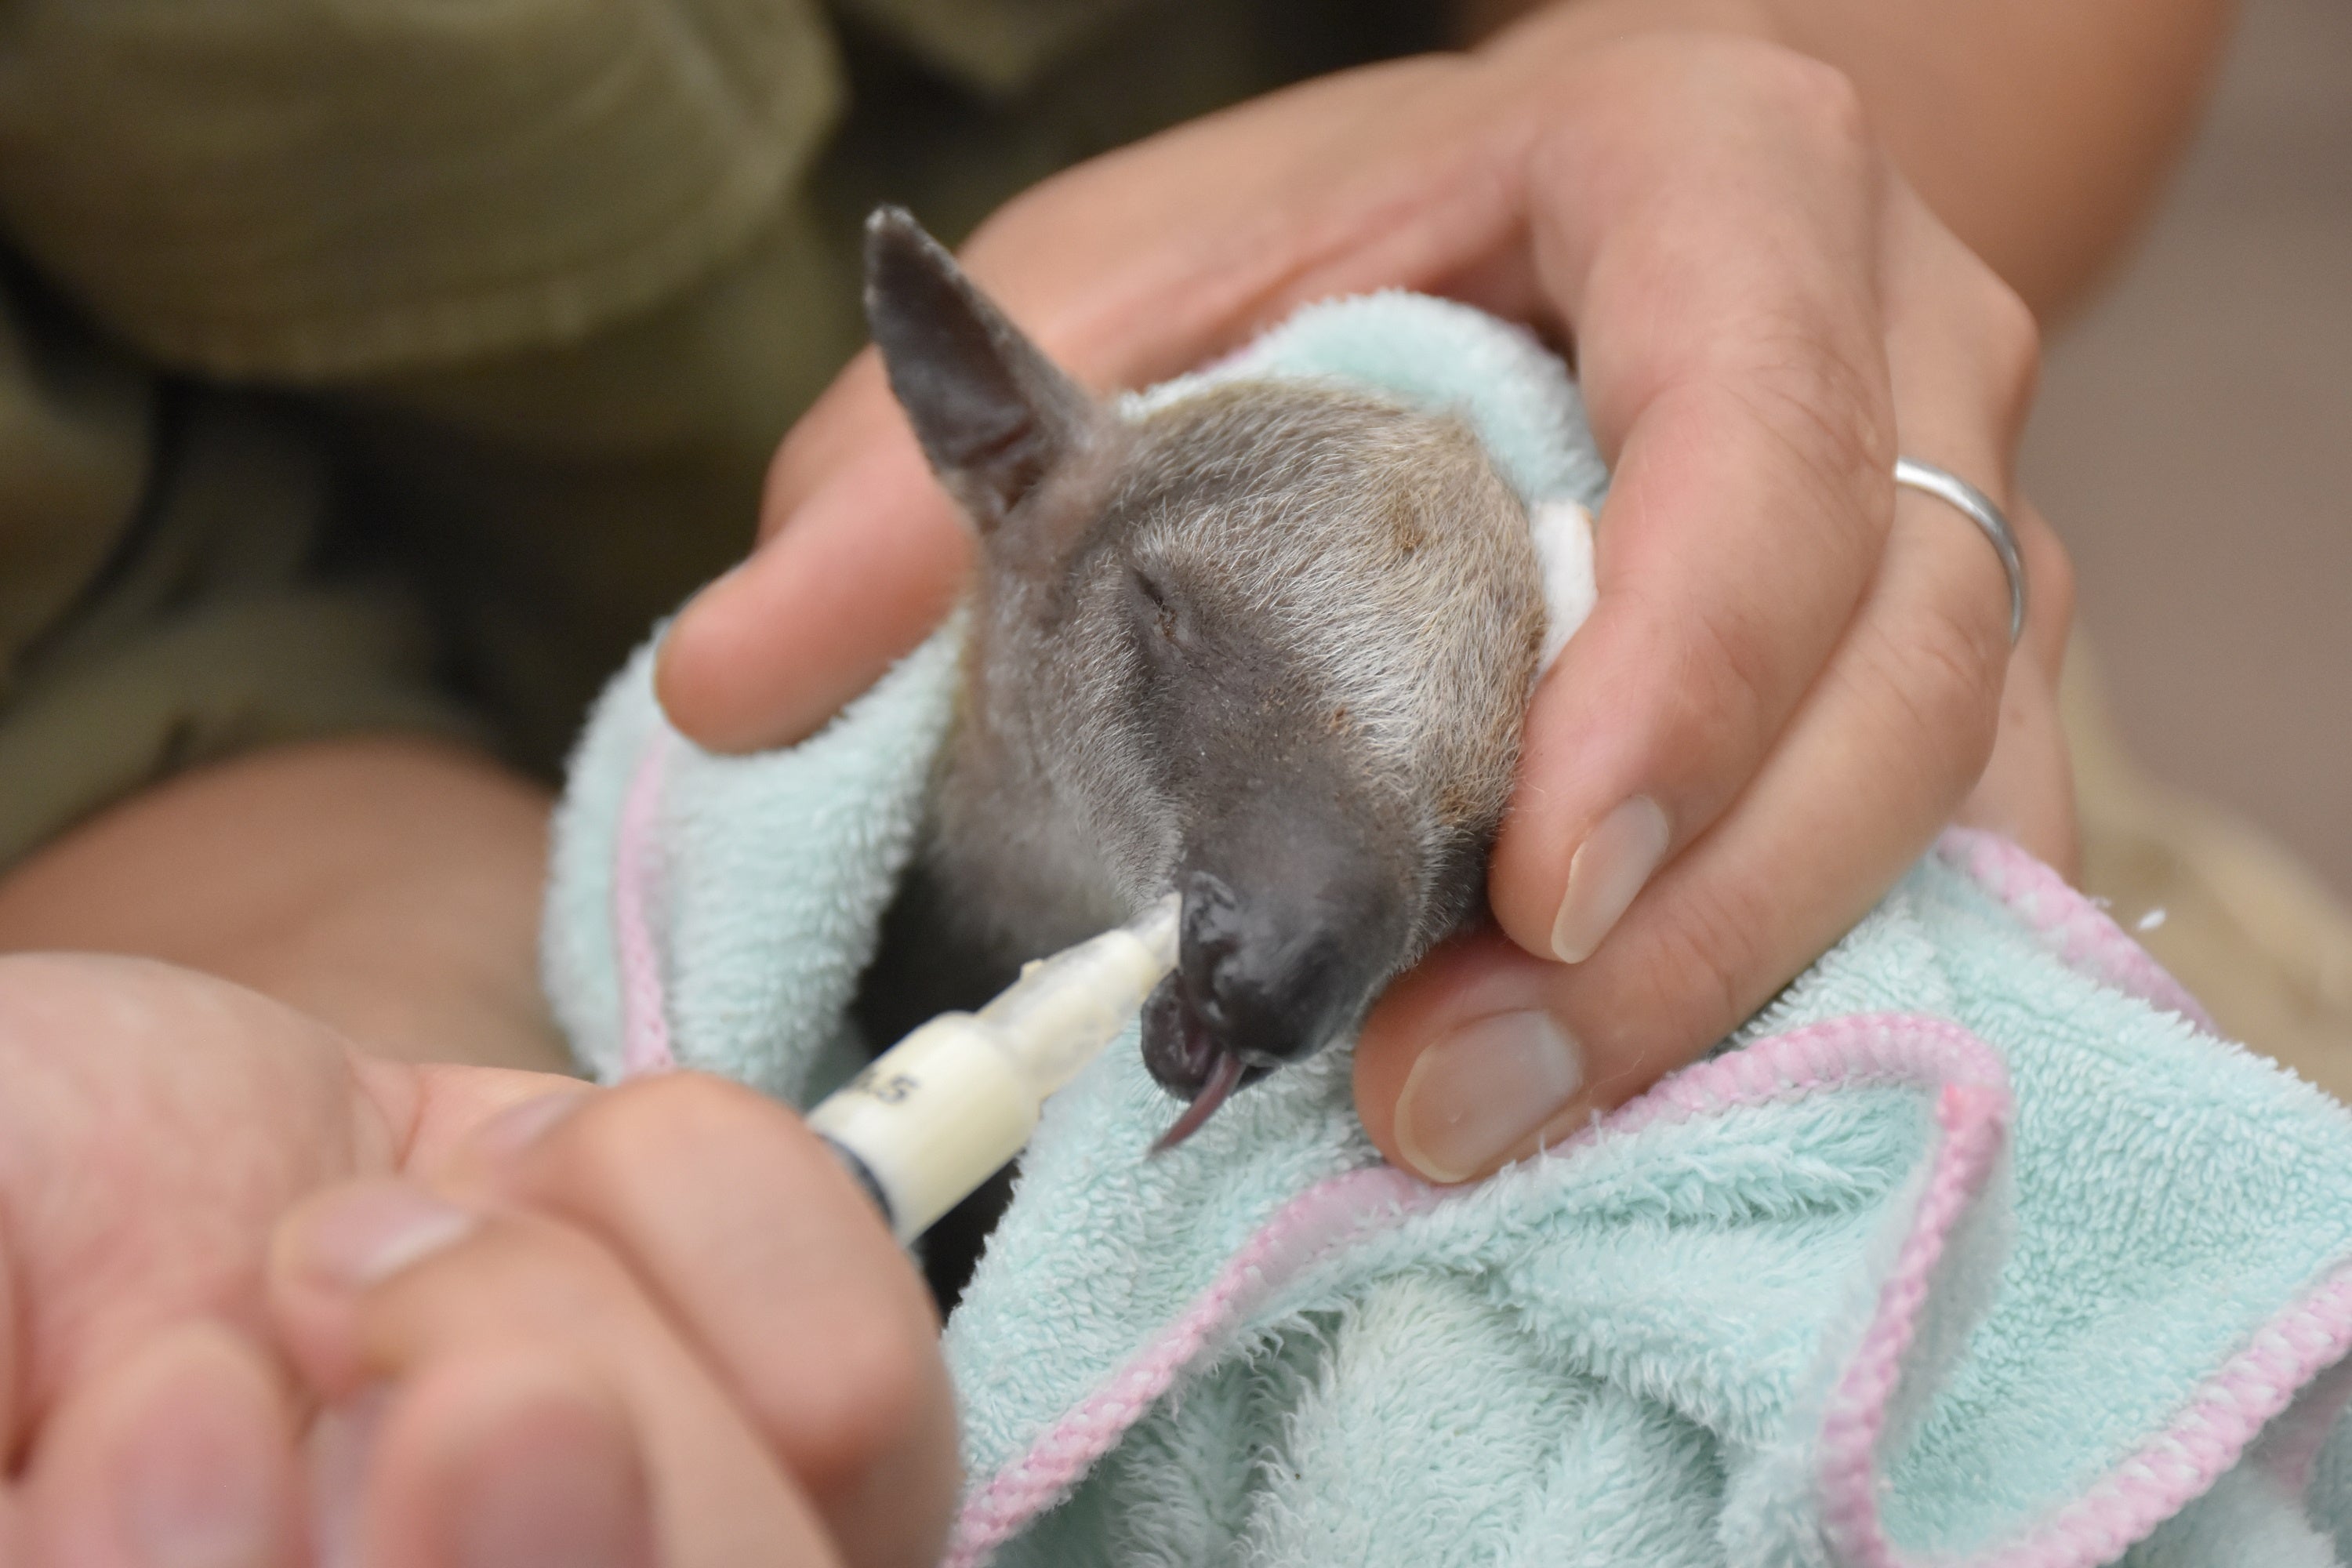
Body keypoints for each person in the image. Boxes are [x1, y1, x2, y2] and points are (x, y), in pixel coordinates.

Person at [0, 0, 2234, 1559]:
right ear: (994, 450)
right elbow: (106, 660)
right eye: (1173, 643)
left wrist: (1749, 188)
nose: (1291, 889)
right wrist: (447, 1080)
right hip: (271, 843)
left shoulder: (1391, 788)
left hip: (1823, 662)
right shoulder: (1062, 565)